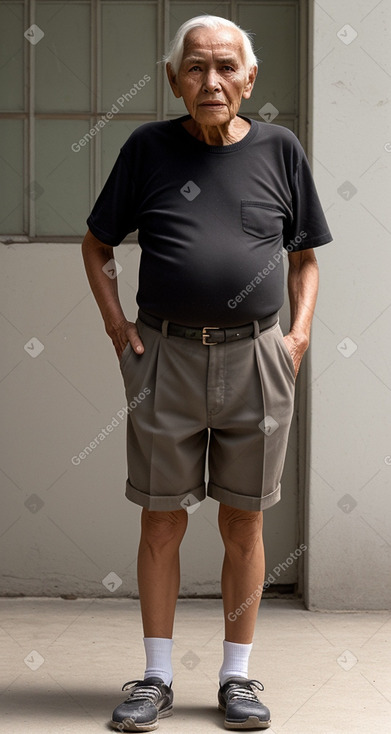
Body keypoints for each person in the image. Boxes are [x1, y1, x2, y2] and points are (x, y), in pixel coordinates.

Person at [82, 14, 332, 731]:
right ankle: (155, 677)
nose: (211, 81)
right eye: (195, 68)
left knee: (244, 524)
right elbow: (95, 245)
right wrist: (116, 328)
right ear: (173, 79)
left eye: (225, 68)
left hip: (257, 356)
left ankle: (236, 679)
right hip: (163, 354)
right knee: (160, 520)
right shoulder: (147, 149)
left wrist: (298, 335)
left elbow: (304, 256)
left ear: (250, 78)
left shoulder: (280, 150)